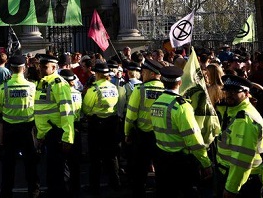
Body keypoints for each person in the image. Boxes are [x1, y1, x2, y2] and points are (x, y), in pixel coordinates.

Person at [150, 65, 213, 198]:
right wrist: (206, 163)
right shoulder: (182, 106)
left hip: (161, 157)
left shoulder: (157, 102)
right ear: (179, 83)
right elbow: (193, 139)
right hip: (180, 161)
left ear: (163, 81)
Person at [216, 74, 263, 198]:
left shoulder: (245, 120)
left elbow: (241, 160)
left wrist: (231, 188)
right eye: (227, 91)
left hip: (240, 180)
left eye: (234, 91)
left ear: (246, 93)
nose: (229, 94)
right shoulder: (233, 110)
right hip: (231, 174)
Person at [0, 55, 40, 198]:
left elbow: (0, 108)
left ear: (11, 69)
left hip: (10, 129)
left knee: (8, 165)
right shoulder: (32, 86)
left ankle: (6, 193)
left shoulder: (4, 87)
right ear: (24, 68)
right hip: (28, 128)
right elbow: (37, 106)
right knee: (30, 163)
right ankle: (34, 192)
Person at [123, 58, 165, 198]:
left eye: (144, 72)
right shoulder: (165, 89)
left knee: (140, 171)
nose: (142, 75)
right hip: (161, 136)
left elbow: (131, 114)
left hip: (142, 137)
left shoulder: (140, 89)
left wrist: (127, 132)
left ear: (152, 74)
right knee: (160, 170)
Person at [34, 54, 75, 197]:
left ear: (54, 67)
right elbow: (41, 111)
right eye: (40, 66)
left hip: (56, 133)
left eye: (45, 67)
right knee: (51, 170)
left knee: (60, 171)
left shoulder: (58, 83)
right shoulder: (42, 82)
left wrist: (67, 137)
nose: (41, 69)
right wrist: (39, 135)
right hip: (47, 133)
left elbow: (67, 111)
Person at [83, 62, 121, 194]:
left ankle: (95, 187)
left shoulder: (93, 90)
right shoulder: (113, 87)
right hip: (111, 123)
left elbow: (86, 108)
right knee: (112, 156)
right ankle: (115, 183)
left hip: (97, 124)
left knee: (95, 158)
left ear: (98, 74)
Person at [61, 68, 83, 196]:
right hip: (76, 126)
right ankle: (76, 189)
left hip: (65, 126)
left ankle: (65, 189)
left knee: (65, 161)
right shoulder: (78, 93)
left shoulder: (62, 93)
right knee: (75, 162)